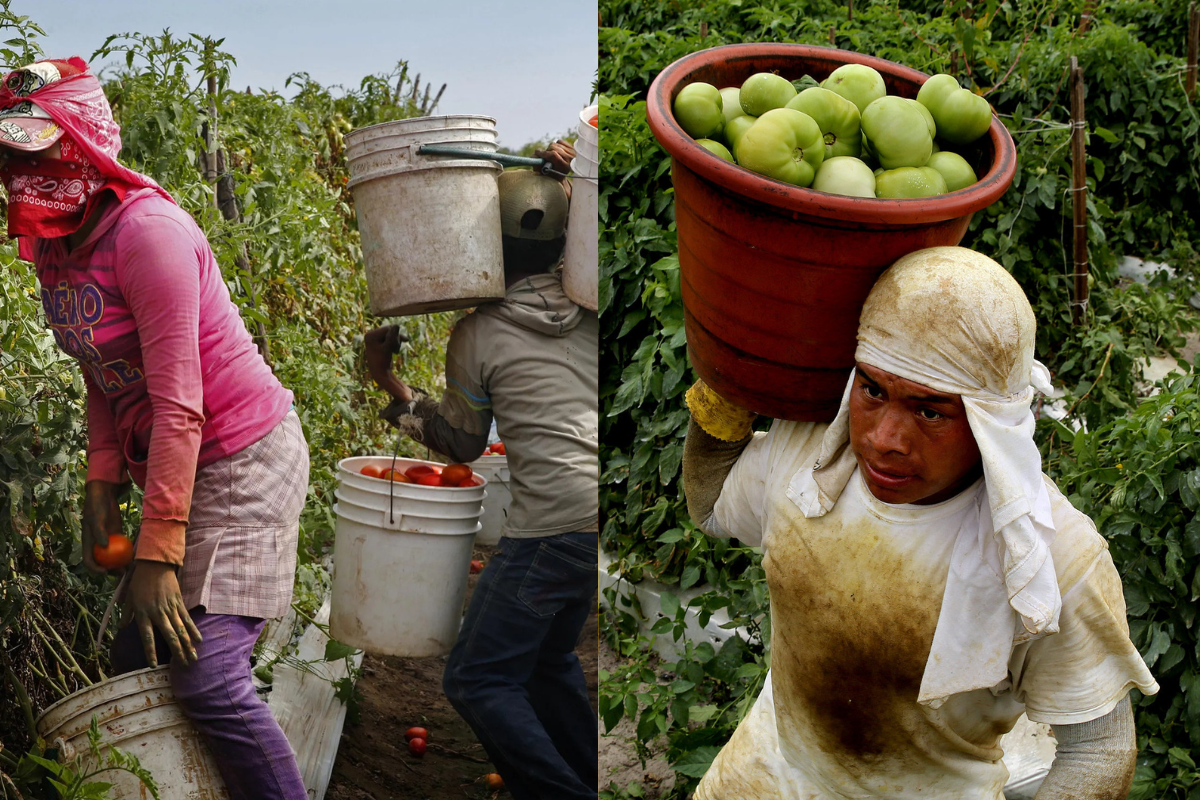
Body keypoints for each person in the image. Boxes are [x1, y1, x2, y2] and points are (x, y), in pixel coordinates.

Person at [682, 246, 1157, 799]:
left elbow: (1100, 749)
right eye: (872, 391)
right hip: (757, 781)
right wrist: (727, 381)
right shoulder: (811, 461)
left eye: (930, 411)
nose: (883, 440)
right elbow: (711, 505)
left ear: (989, 423)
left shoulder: (1051, 557)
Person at [0, 58, 308, 799]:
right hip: (178, 459)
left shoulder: (150, 234)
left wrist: (158, 551)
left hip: (243, 455)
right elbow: (100, 368)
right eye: (11, 157)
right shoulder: (54, 246)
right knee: (138, 653)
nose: (21, 173)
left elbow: (179, 405)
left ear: (84, 145)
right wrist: (100, 484)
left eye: (38, 153)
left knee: (209, 677)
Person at [364, 145, 599, 800]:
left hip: (550, 528)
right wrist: (573, 168)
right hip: (598, 519)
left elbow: (463, 446)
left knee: (475, 679)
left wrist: (388, 381)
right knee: (548, 661)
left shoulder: (479, 333)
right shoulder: (594, 308)